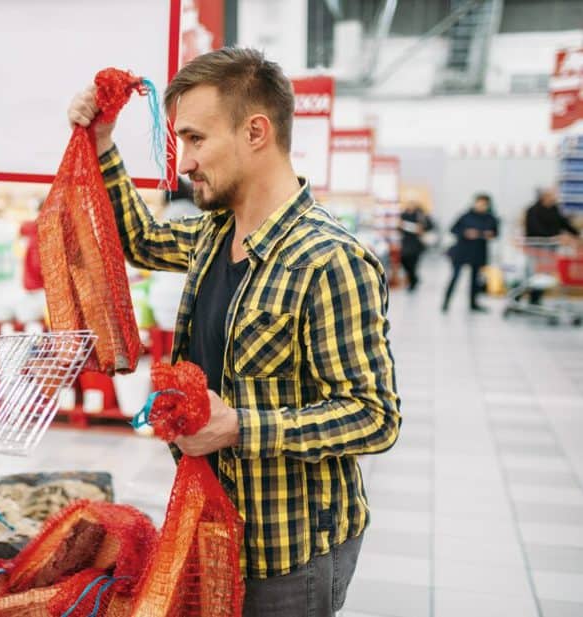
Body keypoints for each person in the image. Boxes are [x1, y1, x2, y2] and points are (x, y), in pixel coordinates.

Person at [68, 47, 401, 617]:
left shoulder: (328, 261)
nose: (184, 164)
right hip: (214, 527)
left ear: (255, 132)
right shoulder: (215, 234)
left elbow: (374, 416)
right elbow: (143, 240)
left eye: (196, 140)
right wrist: (101, 143)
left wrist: (239, 428)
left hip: (288, 552)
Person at [442, 193, 499, 313]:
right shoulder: (465, 216)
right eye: (479, 203)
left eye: (484, 204)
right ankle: (446, 303)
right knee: (455, 277)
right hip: (462, 251)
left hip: (478, 252)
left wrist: (487, 234)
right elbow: (453, 229)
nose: (481, 206)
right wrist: (465, 233)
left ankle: (473, 304)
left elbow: (495, 233)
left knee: (475, 280)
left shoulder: (491, 218)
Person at [523, 188, 581, 304]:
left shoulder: (554, 209)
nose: (555, 197)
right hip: (536, 248)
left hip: (550, 248)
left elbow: (563, 223)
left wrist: (577, 235)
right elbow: (534, 229)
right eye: (552, 195)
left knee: (545, 275)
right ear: (544, 197)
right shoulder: (533, 210)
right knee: (534, 275)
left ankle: (536, 300)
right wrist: (553, 237)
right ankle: (525, 298)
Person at [398, 201, 434, 291]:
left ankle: (413, 283)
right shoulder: (403, 215)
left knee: (413, 263)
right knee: (404, 260)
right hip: (406, 241)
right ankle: (414, 278)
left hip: (417, 242)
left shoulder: (420, 215)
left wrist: (422, 229)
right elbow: (399, 227)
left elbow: (430, 226)